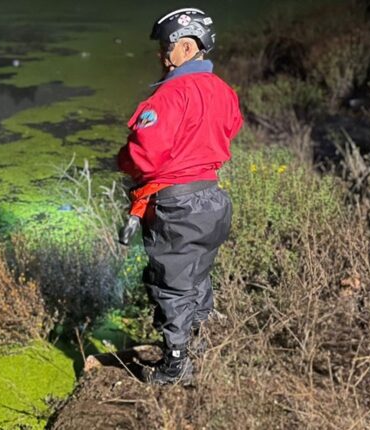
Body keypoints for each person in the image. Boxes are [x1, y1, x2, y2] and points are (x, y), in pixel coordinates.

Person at [116, 7, 243, 384]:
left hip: (177, 205)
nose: (161, 55)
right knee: (197, 278)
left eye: (164, 47)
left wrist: (123, 160)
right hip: (211, 199)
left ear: (186, 48)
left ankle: (175, 365)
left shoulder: (170, 95)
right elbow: (230, 129)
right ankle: (201, 348)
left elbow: (146, 154)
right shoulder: (224, 91)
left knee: (169, 284)